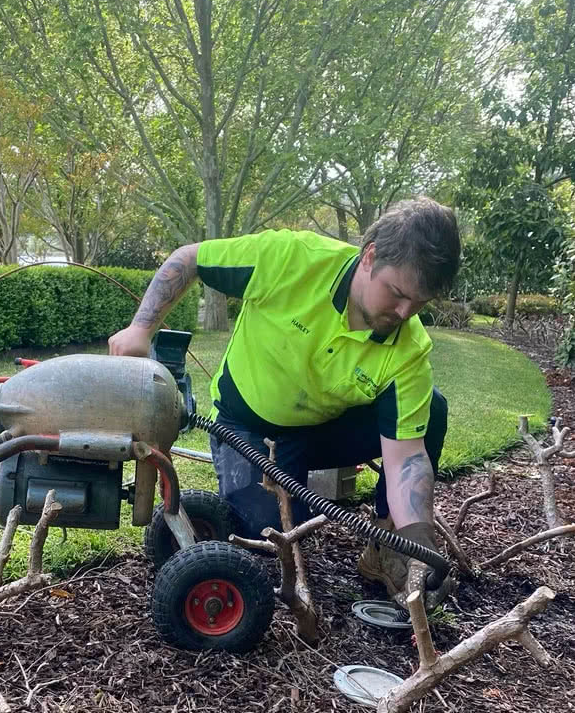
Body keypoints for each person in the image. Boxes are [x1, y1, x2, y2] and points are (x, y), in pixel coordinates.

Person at [109, 198, 461, 608]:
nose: (405, 312)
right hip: (248, 425)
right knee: (265, 541)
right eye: (398, 294)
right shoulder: (292, 259)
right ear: (370, 257)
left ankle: (384, 549)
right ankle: (273, 497)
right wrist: (141, 328)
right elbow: (189, 259)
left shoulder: (409, 347)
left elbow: (406, 457)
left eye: (418, 303)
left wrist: (417, 535)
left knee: (430, 410)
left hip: (327, 430)